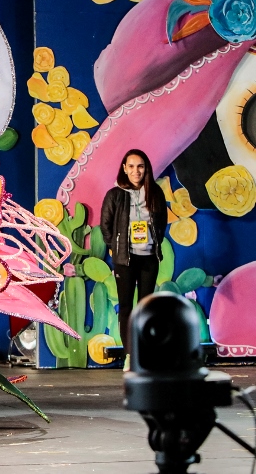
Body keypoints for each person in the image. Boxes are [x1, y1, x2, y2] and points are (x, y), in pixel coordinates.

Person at [99, 149, 167, 363]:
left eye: (140, 166)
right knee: (126, 306)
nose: (136, 171)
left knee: (146, 306)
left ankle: (145, 352)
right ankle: (130, 355)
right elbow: (105, 226)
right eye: (131, 166)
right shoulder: (115, 194)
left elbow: (162, 222)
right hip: (125, 260)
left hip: (149, 258)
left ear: (146, 169)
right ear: (124, 169)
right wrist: (115, 246)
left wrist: (154, 242)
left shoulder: (155, 192)